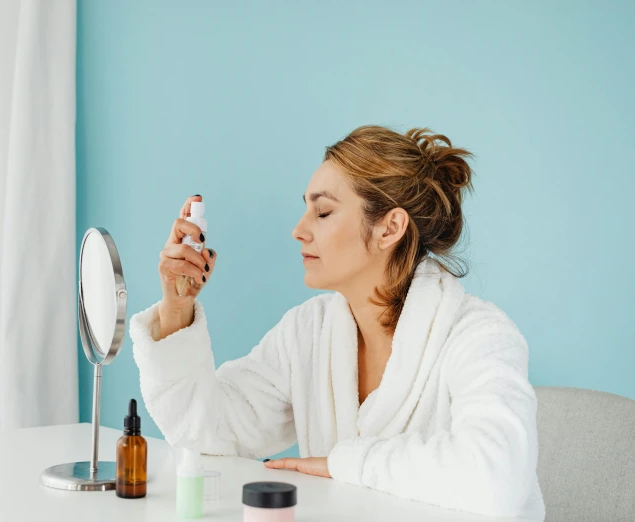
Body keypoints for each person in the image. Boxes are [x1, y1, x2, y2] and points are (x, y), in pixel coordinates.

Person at [129, 125, 545, 519]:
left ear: (390, 228)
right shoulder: (309, 332)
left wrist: (343, 463)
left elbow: (496, 477)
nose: (298, 230)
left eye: (323, 212)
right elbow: (208, 432)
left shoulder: (478, 335)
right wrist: (176, 307)